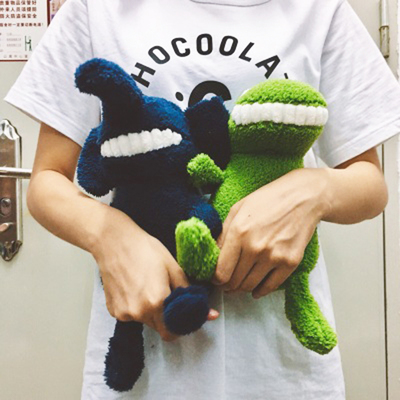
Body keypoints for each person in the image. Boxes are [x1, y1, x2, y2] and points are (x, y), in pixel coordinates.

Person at [4, 0, 400, 398]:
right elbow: (47, 181)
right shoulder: (96, 8)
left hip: (282, 366)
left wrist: (309, 191)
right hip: (149, 368)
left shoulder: (319, 9)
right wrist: (111, 236)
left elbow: (370, 185)